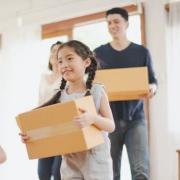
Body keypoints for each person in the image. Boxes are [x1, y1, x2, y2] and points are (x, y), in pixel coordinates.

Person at [20, 40, 115, 180]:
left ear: (86, 62)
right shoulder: (59, 96)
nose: (64, 65)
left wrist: (93, 119)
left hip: (96, 162)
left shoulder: (97, 91)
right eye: (60, 61)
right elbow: (52, 130)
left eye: (69, 59)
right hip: (70, 164)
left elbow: (111, 125)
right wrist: (32, 136)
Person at [94, 7, 158, 180]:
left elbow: (152, 81)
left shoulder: (141, 52)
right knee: (111, 171)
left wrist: (152, 88)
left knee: (141, 170)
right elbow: (93, 84)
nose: (112, 25)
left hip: (136, 119)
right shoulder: (99, 53)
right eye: (109, 22)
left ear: (126, 24)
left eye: (116, 21)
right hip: (109, 120)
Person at [38, 41, 62, 180]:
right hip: (44, 130)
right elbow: (39, 102)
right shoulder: (43, 77)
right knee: (43, 173)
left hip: (60, 129)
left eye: (58, 50)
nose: (55, 53)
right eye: (53, 50)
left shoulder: (66, 78)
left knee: (57, 172)